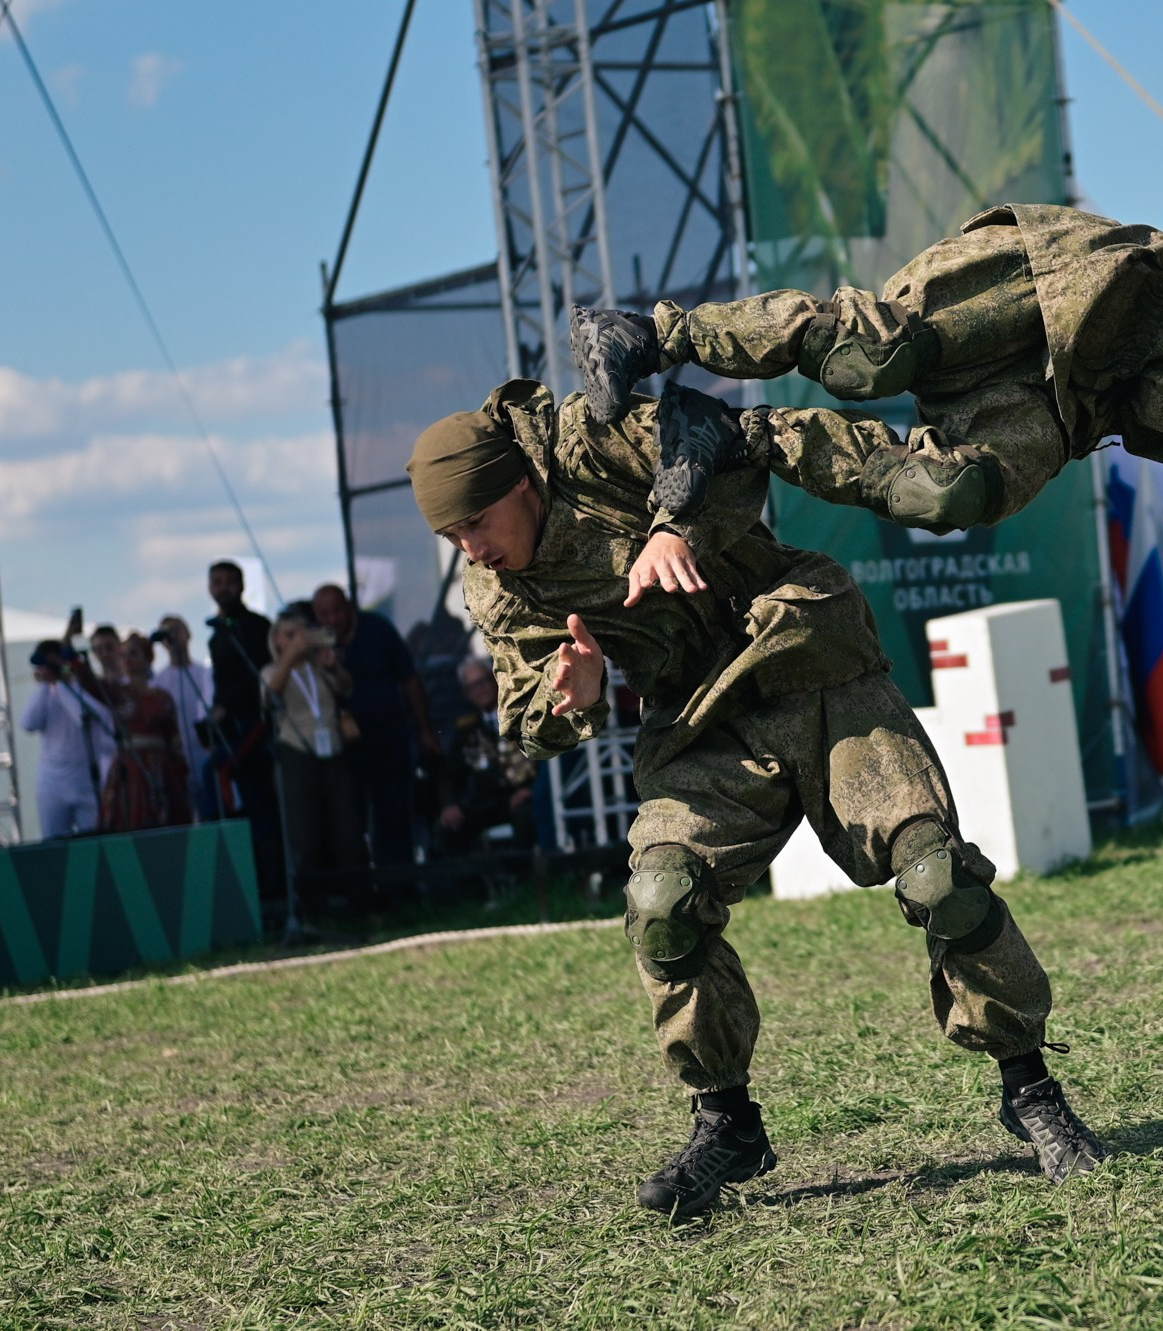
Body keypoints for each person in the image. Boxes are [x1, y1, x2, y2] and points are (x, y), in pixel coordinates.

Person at [571, 180, 1163, 813]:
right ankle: (651, 334)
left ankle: (734, 434)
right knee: (876, 353)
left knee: (957, 492)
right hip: (1062, 284)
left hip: (1070, 400)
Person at [406, 375, 1103, 1221]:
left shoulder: (593, 443)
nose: (470, 549)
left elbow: (722, 439)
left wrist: (676, 524)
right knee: (662, 902)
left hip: (810, 662)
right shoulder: (501, 589)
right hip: (700, 721)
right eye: (450, 537)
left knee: (936, 875)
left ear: (521, 485)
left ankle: (1029, 1087)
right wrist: (575, 697)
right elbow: (530, 718)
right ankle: (728, 1124)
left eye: (476, 523)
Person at [311, 583, 442, 869]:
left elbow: (409, 679)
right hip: (342, 745)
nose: (332, 619)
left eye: (337, 611)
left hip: (389, 737)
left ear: (348, 606)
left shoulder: (377, 630)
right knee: (350, 815)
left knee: (393, 812)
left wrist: (424, 729)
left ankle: (399, 888)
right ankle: (365, 892)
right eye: (324, 614)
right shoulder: (313, 644)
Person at [261, 608, 368, 904]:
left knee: (347, 825)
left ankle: (359, 899)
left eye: (302, 633)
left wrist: (332, 666)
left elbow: (346, 687)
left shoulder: (318, 667)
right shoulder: (271, 670)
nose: (300, 640)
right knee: (304, 832)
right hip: (297, 753)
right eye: (290, 635)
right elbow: (270, 699)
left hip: (332, 751)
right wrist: (290, 657)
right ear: (277, 641)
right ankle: (313, 904)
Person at [205, 561, 284, 907]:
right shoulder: (216, 634)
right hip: (228, 730)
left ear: (240, 587)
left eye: (227, 582)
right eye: (215, 582)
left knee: (260, 804)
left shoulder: (255, 627)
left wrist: (227, 704)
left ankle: (272, 884)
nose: (221, 589)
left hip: (254, 728)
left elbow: (257, 678)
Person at [436, 656, 538, 856]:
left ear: (494, 679)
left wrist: (530, 789)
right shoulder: (467, 729)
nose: (480, 689)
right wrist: (450, 804)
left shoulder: (520, 715)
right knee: (446, 828)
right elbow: (450, 771)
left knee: (526, 815)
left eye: (482, 681)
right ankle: (470, 886)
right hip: (485, 802)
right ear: (466, 694)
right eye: (473, 686)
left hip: (521, 797)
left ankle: (525, 882)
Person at [95, 632, 195, 832]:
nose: (128, 660)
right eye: (123, 655)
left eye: (133, 653)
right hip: (129, 769)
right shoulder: (119, 694)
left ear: (147, 658)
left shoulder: (162, 697)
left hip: (160, 769)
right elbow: (89, 683)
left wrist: (179, 776)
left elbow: (175, 741)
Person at [21, 639, 116, 837]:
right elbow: (29, 723)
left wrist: (62, 681)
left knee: (94, 840)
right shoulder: (43, 694)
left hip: (86, 781)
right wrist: (48, 684)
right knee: (54, 844)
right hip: (52, 783)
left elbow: (82, 716)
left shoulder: (79, 692)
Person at [152, 615, 217, 819]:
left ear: (188, 633)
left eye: (177, 630)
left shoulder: (206, 673)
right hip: (177, 763)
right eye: (167, 633)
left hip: (205, 758)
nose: (173, 637)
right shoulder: (158, 683)